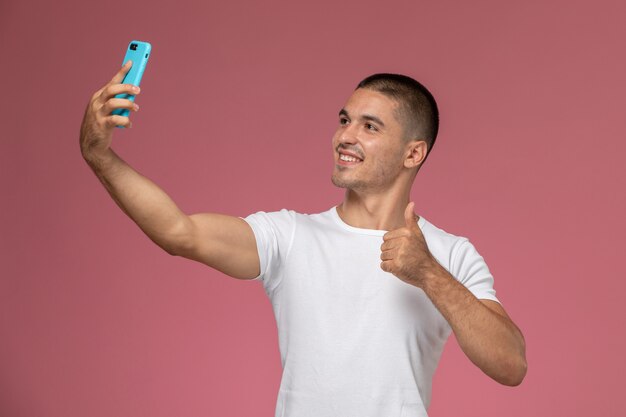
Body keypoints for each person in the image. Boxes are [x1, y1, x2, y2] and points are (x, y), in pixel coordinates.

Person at [80, 61, 527, 417]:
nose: (345, 136)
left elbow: (510, 365)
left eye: (370, 127)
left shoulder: (450, 254)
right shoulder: (290, 236)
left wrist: (428, 273)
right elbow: (178, 232)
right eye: (345, 119)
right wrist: (98, 154)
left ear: (414, 152)